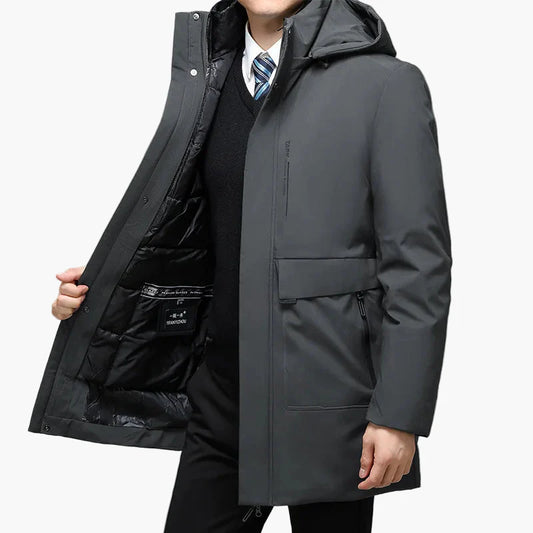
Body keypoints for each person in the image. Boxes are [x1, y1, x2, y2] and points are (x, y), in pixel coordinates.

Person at [34, 0, 452, 531]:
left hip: (332, 402)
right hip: (223, 396)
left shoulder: (387, 85)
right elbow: (190, 235)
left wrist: (399, 415)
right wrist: (105, 294)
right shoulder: (207, 81)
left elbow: (419, 266)